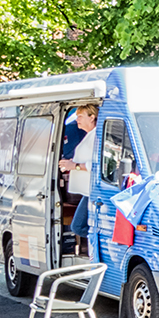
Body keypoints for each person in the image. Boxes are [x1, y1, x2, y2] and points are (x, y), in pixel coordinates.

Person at [58, 104, 98, 253]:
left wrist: (74, 166)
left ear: (92, 117)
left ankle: (99, 245)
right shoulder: (90, 135)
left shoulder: (96, 136)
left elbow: (97, 165)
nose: (77, 120)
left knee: (78, 226)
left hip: (91, 191)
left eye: (80, 116)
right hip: (86, 191)